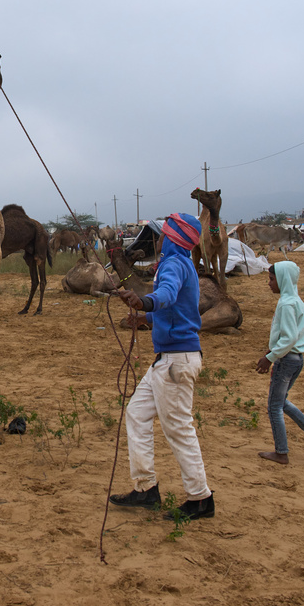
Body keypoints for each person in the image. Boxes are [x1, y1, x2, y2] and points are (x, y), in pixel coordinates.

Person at [111, 213, 215, 521]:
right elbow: (177, 309)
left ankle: (200, 499)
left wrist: (144, 304)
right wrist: (144, 318)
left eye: (162, 234)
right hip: (168, 361)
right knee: (137, 413)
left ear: (171, 238)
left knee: (179, 430)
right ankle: (146, 489)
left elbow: (166, 296)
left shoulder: (171, 265)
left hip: (174, 362)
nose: (158, 239)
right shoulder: (185, 265)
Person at [256, 262, 304, 464]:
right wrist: (272, 350)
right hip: (296, 359)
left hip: (287, 360)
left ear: (283, 280)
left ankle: (281, 452)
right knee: (281, 402)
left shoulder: (286, 304)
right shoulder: (297, 301)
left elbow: (289, 338)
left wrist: (269, 358)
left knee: (274, 406)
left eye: (272, 279)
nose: (269, 283)